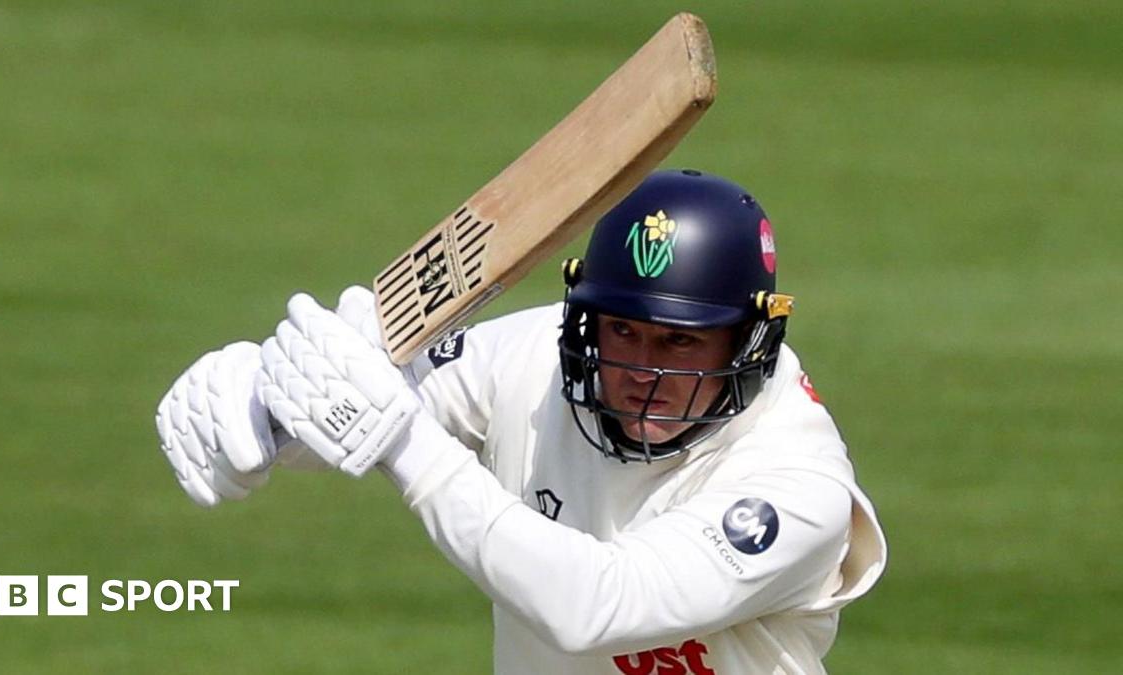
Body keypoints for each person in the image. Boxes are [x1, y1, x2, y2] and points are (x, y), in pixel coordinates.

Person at [155, 169, 887, 674]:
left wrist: (408, 447)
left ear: (748, 342)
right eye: (623, 331)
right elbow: (369, 393)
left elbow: (596, 605)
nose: (641, 368)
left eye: (680, 342)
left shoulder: (796, 486)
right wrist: (265, 400)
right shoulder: (541, 357)